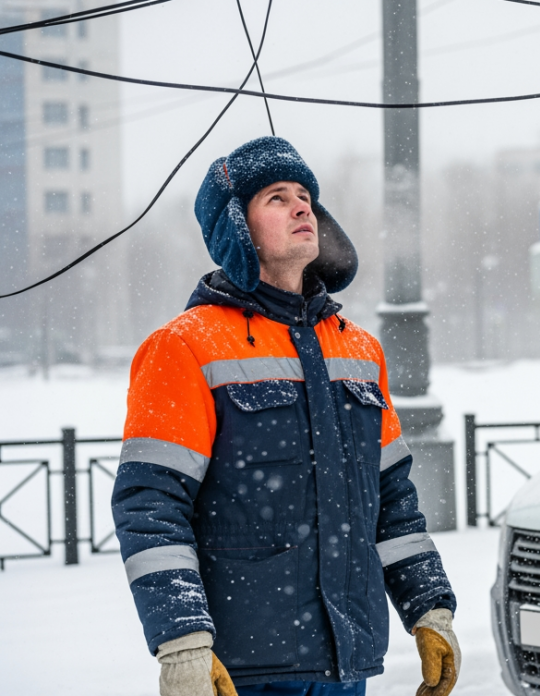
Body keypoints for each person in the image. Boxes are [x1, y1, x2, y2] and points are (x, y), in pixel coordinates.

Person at [112, 137, 459, 696]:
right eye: (277, 197)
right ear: (235, 227)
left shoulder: (359, 351)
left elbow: (392, 499)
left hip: (347, 664)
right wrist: (182, 641)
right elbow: (151, 506)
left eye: (306, 196)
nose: (303, 207)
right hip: (242, 671)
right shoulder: (184, 347)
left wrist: (430, 610)